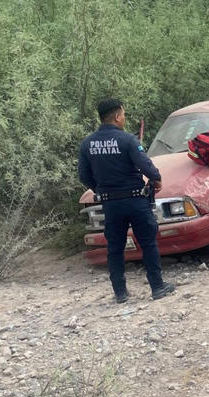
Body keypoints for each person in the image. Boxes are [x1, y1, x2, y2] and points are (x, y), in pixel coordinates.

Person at [78, 98, 176, 303]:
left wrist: (101, 189)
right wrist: (156, 179)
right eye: (123, 114)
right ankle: (157, 287)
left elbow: (84, 175)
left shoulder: (87, 144)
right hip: (135, 201)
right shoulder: (127, 140)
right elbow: (145, 165)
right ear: (116, 116)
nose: (124, 118)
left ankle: (120, 293)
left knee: (114, 248)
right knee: (148, 243)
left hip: (110, 204)